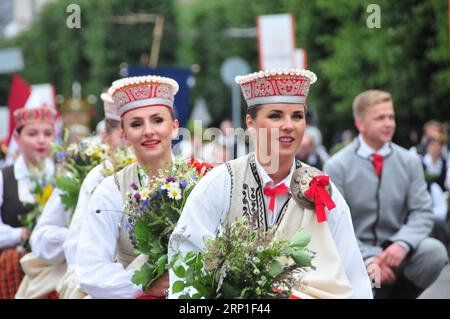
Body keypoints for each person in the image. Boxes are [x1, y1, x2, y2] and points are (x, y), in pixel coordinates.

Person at [168, 69, 373, 299]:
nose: (289, 125)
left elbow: (354, 275)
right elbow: (185, 263)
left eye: (297, 116)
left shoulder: (323, 190)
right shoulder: (221, 183)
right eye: (276, 116)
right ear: (250, 123)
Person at [324, 89, 448, 299]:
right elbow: (332, 223)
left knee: (434, 252)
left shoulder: (409, 162)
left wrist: (401, 244)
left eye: (391, 117)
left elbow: (422, 212)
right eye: (380, 118)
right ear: (360, 124)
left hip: (398, 256)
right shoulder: (337, 166)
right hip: (356, 259)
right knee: (374, 277)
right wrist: (369, 258)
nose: (389, 123)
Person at [76, 75, 179, 298]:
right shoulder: (110, 190)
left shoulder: (204, 179)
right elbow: (89, 269)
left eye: (157, 120)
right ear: (124, 135)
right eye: (136, 124)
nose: (148, 131)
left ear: (174, 127)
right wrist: (143, 285)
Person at [15, 92, 124, 299]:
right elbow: (41, 239)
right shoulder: (86, 173)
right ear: (105, 137)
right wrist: (82, 235)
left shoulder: (165, 175)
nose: (139, 138)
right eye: (127, 130)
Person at [0, 104, 56, 299]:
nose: (41, 140)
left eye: (48, 134)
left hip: (55, 269)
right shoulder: (4, 177)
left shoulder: (63, 176)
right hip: (14, 267)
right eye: (32, 134)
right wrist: (20, 234)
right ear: (17, 138)